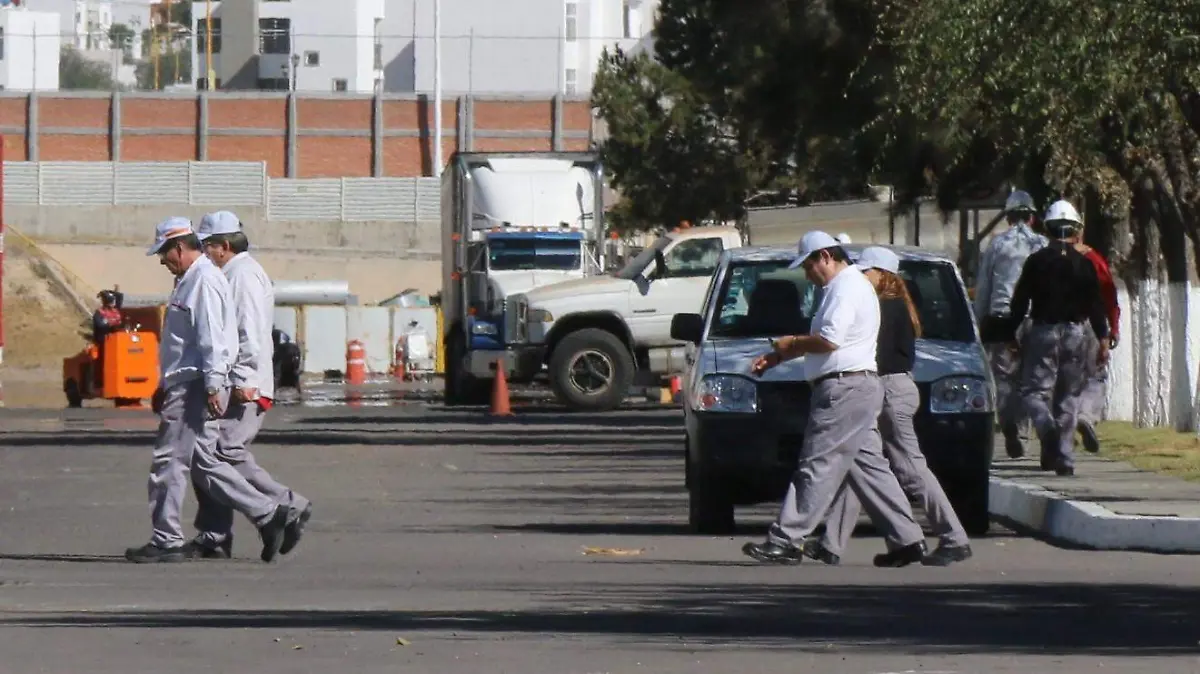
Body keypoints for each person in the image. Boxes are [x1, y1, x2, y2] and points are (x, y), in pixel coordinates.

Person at [741, 231, 927, 567]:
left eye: (810, 266)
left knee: (817, 463)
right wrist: (779, 357)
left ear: (826, 256)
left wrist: (789, 345)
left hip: (844, 389)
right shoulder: (847, 287)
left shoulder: (845, 287)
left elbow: (829, 340)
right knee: (869, 468)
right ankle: (907, 538)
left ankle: (787, 539)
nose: (808, 275)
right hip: (858, 387)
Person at [124, 217, 290, 564]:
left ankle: (167, 539)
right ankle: (266, 512)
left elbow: (215, 338)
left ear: (180, 248)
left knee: (169, 462)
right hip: (188, 382)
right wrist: (165, 383)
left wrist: (215, 384)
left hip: (196, 384)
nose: (161, 260)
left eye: (164, 253)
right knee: (202, 460)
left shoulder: (203, 281)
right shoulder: (191, 280)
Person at [805, 247, 972, 567]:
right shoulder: (892, 303)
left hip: (888, 391)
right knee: (859, 461)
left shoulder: (883, 306)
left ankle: (954, 538)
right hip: (887, 389)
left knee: (910, 468)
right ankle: (831, 544)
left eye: (866, 271)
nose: (859, 276)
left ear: (882, 274)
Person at [186, 211, 313, 560]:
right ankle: (220, 532)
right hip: (243, 380)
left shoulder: (241, 276)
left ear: (224, 246)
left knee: (214, 455)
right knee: (224, 455)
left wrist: (244, 378)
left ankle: (280, 509)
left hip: (245, 383)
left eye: (207, 246)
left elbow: (248, 331)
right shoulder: (234, 272)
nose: (202, 253)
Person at [1008, 200, 1109, 476]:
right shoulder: (1085, 264)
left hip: (1043, 332)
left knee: (1032, 392)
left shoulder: (1036, 261)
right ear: (1076, 230)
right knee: (1068, 397)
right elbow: (1096, 305)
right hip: (1076, 334)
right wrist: (1102, 338)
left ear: (1048, 229)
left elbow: (1019, 302)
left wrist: (1010, 334)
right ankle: (1064, 458)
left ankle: (1045, 427)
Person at [974, 190, 1048, 460]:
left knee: (1004, 379)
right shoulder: (1041, 243)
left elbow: (984, 287)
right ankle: (1028, 431)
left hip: (1001, 318)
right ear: (1031, 218)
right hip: (1034, 318)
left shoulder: (997, 245)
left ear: (1008, 218)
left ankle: (1009, 425)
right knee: (1032, 379)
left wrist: (979, 320)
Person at [1072, 237, 1120, 453]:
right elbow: (1109, 296)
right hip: (1091, 327)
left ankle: (1062, 428)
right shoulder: (1094, 260)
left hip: (1054, 329)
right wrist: (1113, 328)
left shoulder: (1046, 258)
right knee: (1095, 376)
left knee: (1060, 379)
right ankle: (1086, 416)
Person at [91, 289, 124, 389]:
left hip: (117, 341)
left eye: (112, 300)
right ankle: (100, 381)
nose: (112, 303)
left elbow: (120, 296)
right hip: (103, 341)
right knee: (102, 358)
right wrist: (111, 325)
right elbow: (100, 325)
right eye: (110, 301)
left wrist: (112, 292)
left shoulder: (116, 311)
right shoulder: (99, 313)